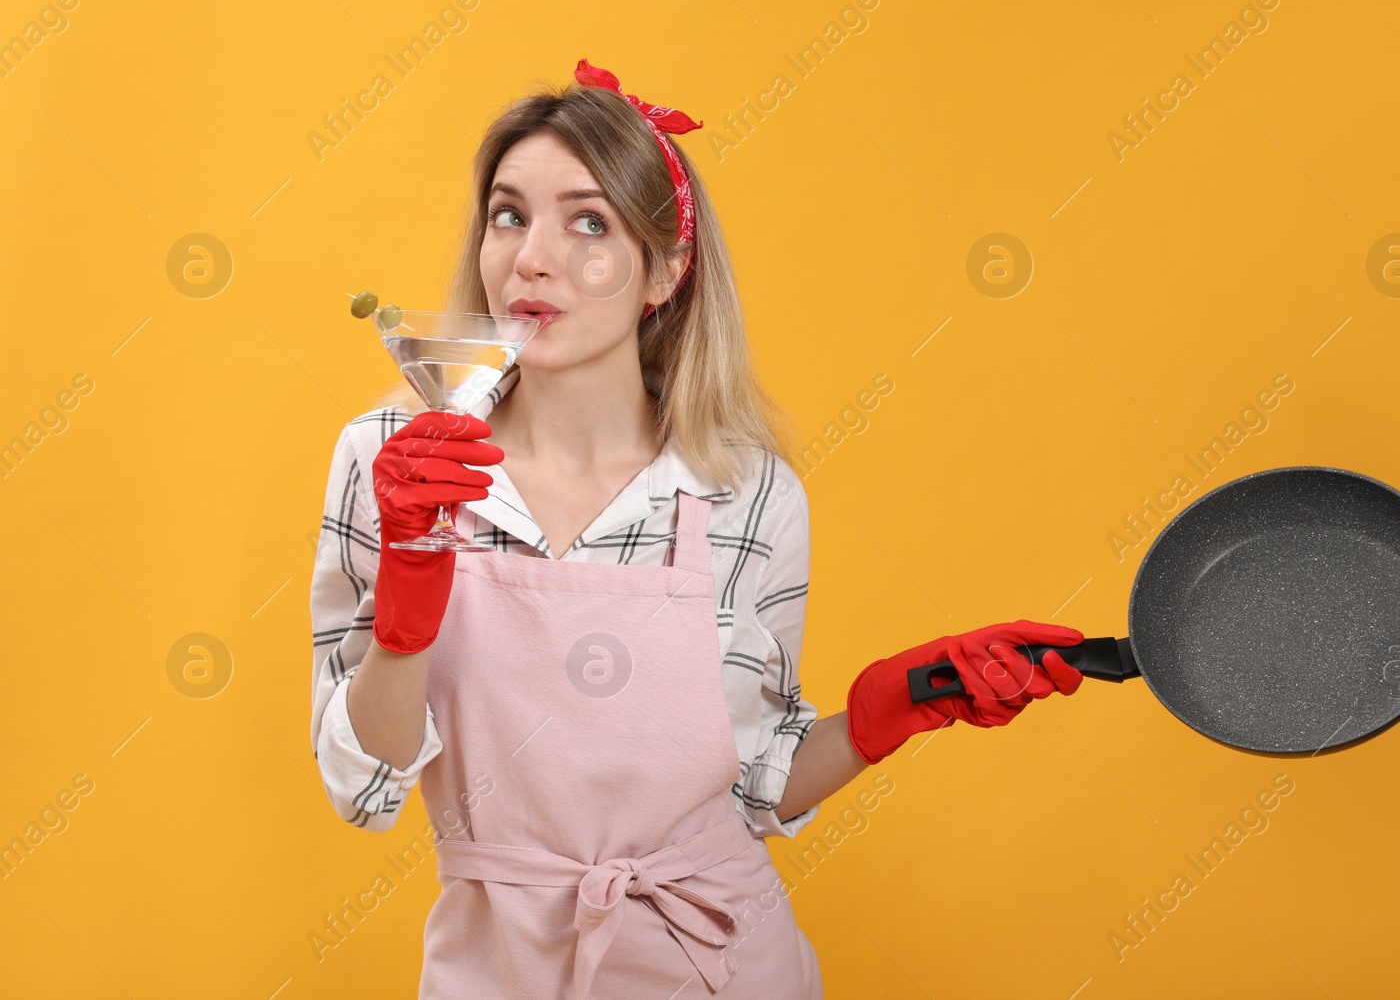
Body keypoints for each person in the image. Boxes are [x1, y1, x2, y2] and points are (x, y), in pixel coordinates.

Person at [308, 59, 1089, 999]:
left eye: (588, 222)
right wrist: (402, 620)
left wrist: (890, 712)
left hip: (717, 963)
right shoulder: (399, 461)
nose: (532, 257)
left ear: (666, 270)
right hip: (498, 970)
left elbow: (756, 786)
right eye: (509, 213)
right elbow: (365, 790)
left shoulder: (745, 490)